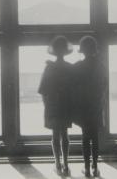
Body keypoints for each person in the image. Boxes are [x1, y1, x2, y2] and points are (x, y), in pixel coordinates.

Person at [72, 36, 107, 177]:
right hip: (96, 104)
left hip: (83, 106)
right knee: (95, 137)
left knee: (85, 137)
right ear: (94, 49)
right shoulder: (101, 66)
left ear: (82, 50)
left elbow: (73, 87)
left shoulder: (78, 66)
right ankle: (95, 166)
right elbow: (104, 86)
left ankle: (86, 167)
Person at [38, 35, 73, 176]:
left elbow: (42, 90)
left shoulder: (49, 68)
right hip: (65, 105)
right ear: (65, 51)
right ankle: (66, 164)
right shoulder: (70, 68)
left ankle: (57, 163)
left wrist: (47, 104)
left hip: (52, 105)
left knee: (55, 135)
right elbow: (74, 89)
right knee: (65, 134)